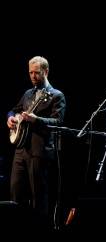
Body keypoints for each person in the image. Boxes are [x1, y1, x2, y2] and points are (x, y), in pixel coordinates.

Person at [6, 56, 66, 229]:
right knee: (15, 193)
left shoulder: (56, 96)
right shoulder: (28, 93)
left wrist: (36, 119)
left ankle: (40, 233)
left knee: (39, 196)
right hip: (21, 150)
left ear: (46, 72)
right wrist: (10, 118)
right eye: (30, 72)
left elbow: (58, 123)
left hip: (40, 151)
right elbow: (14, 110)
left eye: (37, 73)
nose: (33, 76)